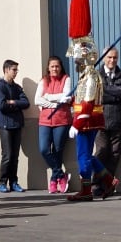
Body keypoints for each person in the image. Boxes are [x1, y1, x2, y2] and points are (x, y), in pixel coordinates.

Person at [65, 0, 115, 201]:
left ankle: (86, 189)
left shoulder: (91, 77)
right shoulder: (85, 75)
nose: (75, 62)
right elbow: (79, 99)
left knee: (83, 156)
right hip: (83, 119)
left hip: (87, 121)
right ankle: (109, 179)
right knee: (85, 155)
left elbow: (88, 103)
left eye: (77, 59)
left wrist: (77, 123)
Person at [36, 55, 73, 192]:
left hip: (62, 120)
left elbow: (67, 96)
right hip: (45, 120)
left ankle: (53, 180)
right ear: (48, 68)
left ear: (61, 67)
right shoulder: (43, 80)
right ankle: (61, 174)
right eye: (52, 66)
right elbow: (37, 100)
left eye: (57, 66)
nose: (55, 69)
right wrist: (55, 102)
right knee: (44, 149)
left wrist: (48, 98)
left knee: (58, 150)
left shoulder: (66, 79)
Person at [96, 46, 121, 192]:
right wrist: (115, 95)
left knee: (115, 155)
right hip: (101, 120)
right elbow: (97, 95)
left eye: (115, 57)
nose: (112, 60)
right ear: (104, 57)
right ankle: (96, 183)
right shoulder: (96, 75)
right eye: (109, 57)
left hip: (119, 120)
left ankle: (108, 184)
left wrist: (106, 90)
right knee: (101, 152)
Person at [0, 59, 30, 191]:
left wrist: (13, 102)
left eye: (16, 70)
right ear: (6, 70)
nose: (16, 72)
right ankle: (2, 182)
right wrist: (16, 105)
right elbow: (2, 106)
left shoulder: (17, 87)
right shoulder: (0, 87)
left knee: (15, 156)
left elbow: (26, 103)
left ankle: (14, 182)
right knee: (7, 155)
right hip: (5, 126)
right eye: (14, 70)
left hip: (17, 125)